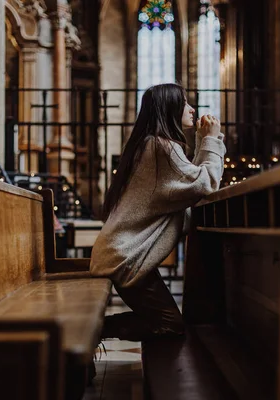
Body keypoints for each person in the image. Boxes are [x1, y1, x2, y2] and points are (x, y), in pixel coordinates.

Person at [89, 83, 226, 342]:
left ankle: (90, 331)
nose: (192, 109)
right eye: (185, 102)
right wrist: (209, 139)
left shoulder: (153, 144)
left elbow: (188, 186)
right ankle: (88, 332)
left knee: (167, 323)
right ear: (170, 108)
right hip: (127, 258)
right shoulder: (161, 147)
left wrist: (201, 142)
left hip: (125, 254)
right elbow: (205, 183)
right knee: (171, 326)